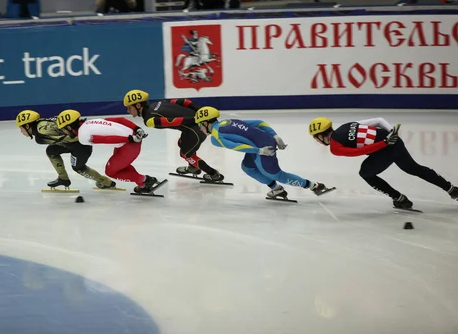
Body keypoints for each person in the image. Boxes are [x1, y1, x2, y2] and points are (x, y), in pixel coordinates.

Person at [309, 116, 457, 209]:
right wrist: (392, 134)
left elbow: (358, 152)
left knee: (365, 173)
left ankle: (400, 199)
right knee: (414, 168)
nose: (316, 141)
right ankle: (452, 189)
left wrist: (385, 142)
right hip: (395, 142)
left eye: (316, 138)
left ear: (321, 135)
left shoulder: (335, 147)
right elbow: (379, 120)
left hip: (385, 148)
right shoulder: (345, 126)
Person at [194, 106, 332, 200]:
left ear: (206, 123)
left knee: (276, 174)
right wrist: (275, 135)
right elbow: (259, 123)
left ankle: (314, 186)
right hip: (262, 142)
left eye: (200, 125)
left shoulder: (215, 137)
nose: (200, 129)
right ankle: (276, 189)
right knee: (247, 167)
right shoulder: (228, 121)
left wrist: (258, 150)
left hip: (262, 147)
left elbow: (238, 147)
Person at [123, 90, 223, 182]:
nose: (128, 111)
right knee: (181, 143)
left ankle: (213, 174)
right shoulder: (157, 103)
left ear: (138, 105)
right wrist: (202, 113)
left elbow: (174, 121)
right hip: (195, 127)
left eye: (129, 108)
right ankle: (193, 167)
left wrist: (197, 120)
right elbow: (185, 102)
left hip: (196, 130)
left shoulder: (149, 120)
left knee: (185, 154)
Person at [55, 109, 159, 194]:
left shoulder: (83, 136)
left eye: (63, 129)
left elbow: (106, 139)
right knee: (121, 167)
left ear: (68, 127)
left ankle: (145, 180)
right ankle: (142, 185)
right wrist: (137, 128)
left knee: (110, 172)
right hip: (128, 141)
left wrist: (129, 139)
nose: (64, 132)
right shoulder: (90, 121)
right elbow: (120, 120)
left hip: (129, 145)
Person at [15, 110, 116, 189]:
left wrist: (89, 137)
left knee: (78, 168)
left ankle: (106, 182)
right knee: (51, 151)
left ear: (27, 125)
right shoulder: (40, 129)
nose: (21, 131)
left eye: (21, 128)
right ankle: (63, 179)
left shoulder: (43, 129)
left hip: (81, 146)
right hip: (71, 144)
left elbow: (70, 129)